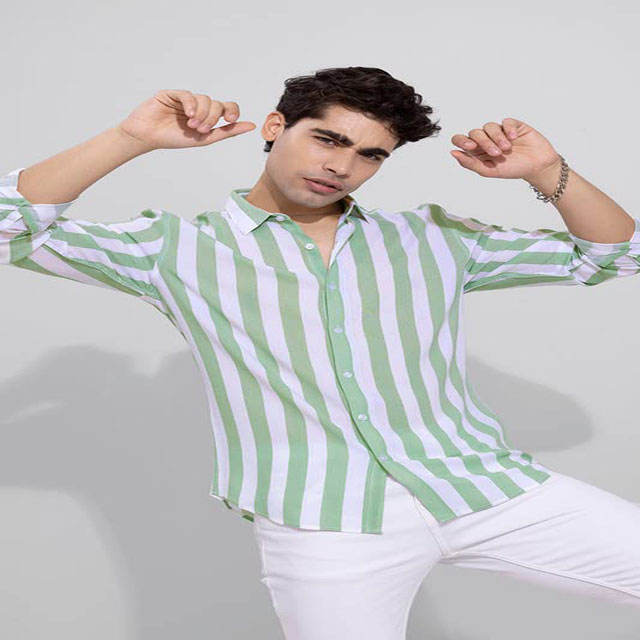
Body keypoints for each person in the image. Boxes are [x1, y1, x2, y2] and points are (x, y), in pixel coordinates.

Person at [2, 66, 640, 638]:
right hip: (324, 522)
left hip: (478, 488)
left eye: (370, 154)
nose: (342, 166)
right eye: (328, 139)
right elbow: (8, 228)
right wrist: (131, 138)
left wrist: (544, 171)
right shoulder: (174, 249)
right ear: (275, 127)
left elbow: (615, 254)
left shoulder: (432, 238)